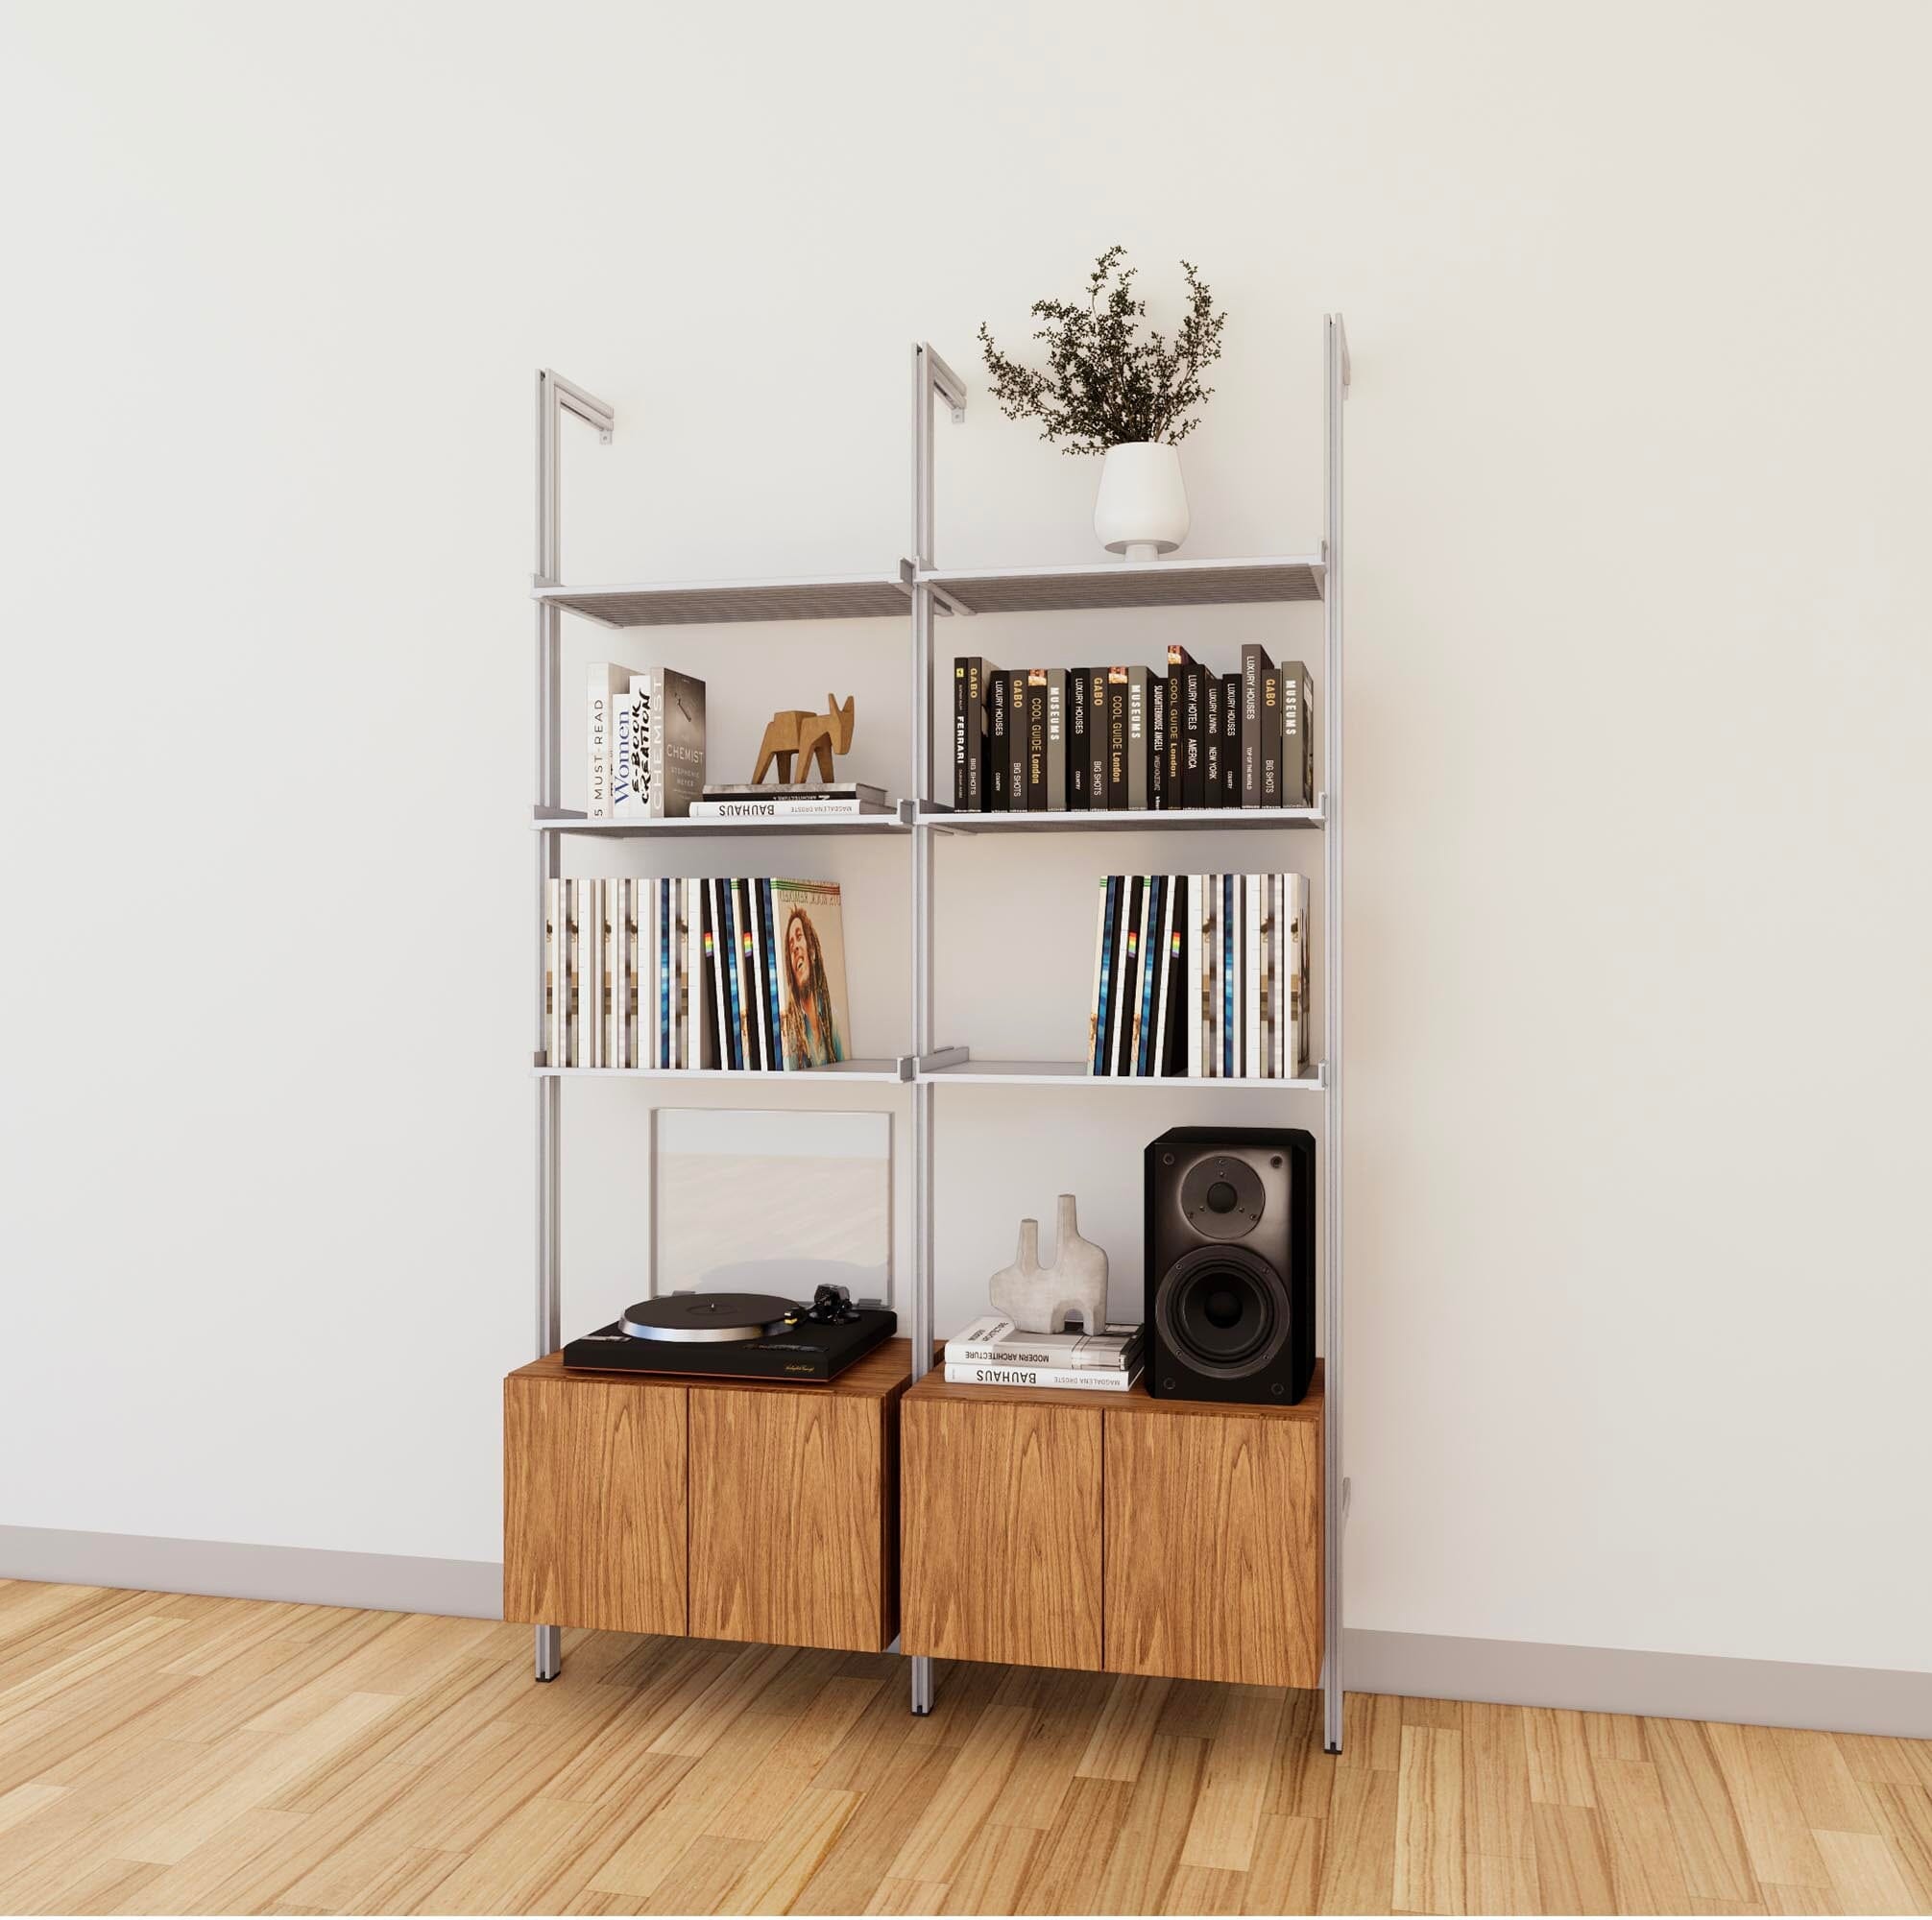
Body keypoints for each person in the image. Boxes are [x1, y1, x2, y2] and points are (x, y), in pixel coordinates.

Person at [780, 905, 844, 1068]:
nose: (794, 947)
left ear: (812, 952)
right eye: (790, 944)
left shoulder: (831, 1018)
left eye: (799, 936)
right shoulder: (790, 1029)